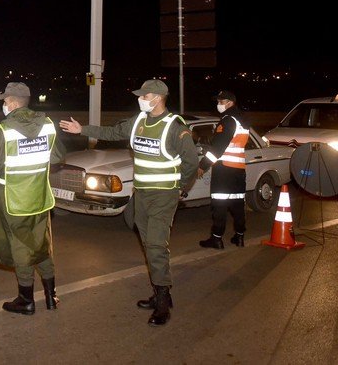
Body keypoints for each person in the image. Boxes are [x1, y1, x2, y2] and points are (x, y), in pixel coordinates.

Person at [59, 79, 198, 326]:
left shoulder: (175, 127)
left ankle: (163, 300)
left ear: (157, 98)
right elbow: (112, 132)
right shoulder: (139, 121)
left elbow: (191, 162)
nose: (140, 99)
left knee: (155, 244)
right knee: (147, 240)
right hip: (141, 194)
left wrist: (179, 188)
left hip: (163, 195)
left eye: (144, 96)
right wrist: (82, 130)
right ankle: (159, 291)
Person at [0, 82, 65, 315]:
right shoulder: (47, 125)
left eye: (5, 101)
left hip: (14, 198)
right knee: (42, 244)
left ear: (14, 103)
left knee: (21, 247)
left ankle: (26, 300)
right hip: (39, 196)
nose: (4, 105)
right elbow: (58, 156)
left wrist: (6, 174)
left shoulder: (6, 130)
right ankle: (51, 296)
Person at [197, 90, 250, 250]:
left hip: (224, 170)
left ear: (229, 102)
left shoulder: (227, 120)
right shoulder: (242, 121)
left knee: (219, 205)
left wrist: (203, 165)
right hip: (239, 170)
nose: (218, 104)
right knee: (238, 205)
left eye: (221, 101)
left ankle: (216, 239)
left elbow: (217, 149)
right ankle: (239, 237)